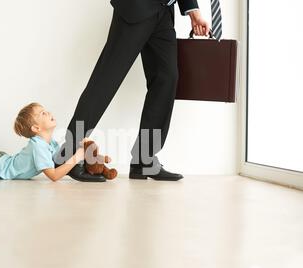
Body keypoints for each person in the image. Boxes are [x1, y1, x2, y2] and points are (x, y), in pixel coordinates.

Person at [54, 0, 210, 182]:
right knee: (108, 77)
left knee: (167, 78)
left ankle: (144, 160)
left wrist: (193, 12)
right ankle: (69, 153)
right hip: (136, 7)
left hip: (164, 12)